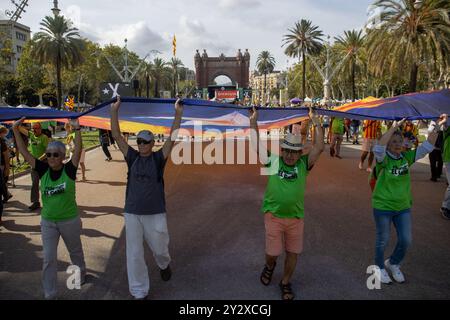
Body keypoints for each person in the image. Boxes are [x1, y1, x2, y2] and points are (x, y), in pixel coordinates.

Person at [110, 95, 184, 300]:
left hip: (155, 213)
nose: (141, 144)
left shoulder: (159, 158)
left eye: (145, 142)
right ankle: (139, 291)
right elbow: (116, 135)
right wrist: (114, 111)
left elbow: (173, 138)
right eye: (139, 141)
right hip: (132, 213)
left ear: (152, 143)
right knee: (134, 254)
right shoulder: (131, 157)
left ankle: (163, 264)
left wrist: (178, 114)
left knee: (160, 248)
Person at [249, 106, 324, 300]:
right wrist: (253, 120)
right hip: (273, 215)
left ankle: (285, 282)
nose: (290, 155)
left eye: (294, 151)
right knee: (273, 253)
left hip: (296, 218)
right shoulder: (274, 162)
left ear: (300, 153)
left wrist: (315, 120)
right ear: (282, 151)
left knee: (293, 252)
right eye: (287, 151)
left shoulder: (303, 164)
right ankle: (270, 265)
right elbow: (256, 144)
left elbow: (319, 147)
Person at [12, 117, 87, 299]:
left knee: (75, 252)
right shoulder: (43, 169)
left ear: (62, 157)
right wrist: (15, 130)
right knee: (48, 259)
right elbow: (24, 151)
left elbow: (77, 150)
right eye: (49, 154)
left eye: (56, 154)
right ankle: (50, 293)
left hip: (69, 220)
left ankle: (80, 276)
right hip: (48, 223)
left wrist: (77, 130)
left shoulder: (69, 170)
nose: (52, 157)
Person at [370, 115, 446, 284]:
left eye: (399, 141)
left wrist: (438, 127)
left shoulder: (406, 157)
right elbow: (379, 147)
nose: (397, 144)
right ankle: (379, 267)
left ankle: (393, 263)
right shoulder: (384, 160)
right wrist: (393, 127)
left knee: (406, 239)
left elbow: (427, 147)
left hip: (402, 207)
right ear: (389, 144)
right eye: (394, 142)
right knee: (383, 239)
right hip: (383, 206)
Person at [16, 122, 49, 211]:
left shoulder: (44, 138)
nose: (35, 129)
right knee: (34, 183)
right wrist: (18, 121)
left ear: (40, 129)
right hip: (34, 163)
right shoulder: (31, 135)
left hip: (43, 163)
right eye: (33, 128)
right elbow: (19, 128)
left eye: (37, 128)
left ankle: (49, 201)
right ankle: (35, 202)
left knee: (45, 183)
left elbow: (47, 152)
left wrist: (38, 160)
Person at [440, 119, 450, 220]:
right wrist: (445, 119)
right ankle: (445, 206)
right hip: (449, 158)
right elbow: (446, 124)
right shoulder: (448, 125)